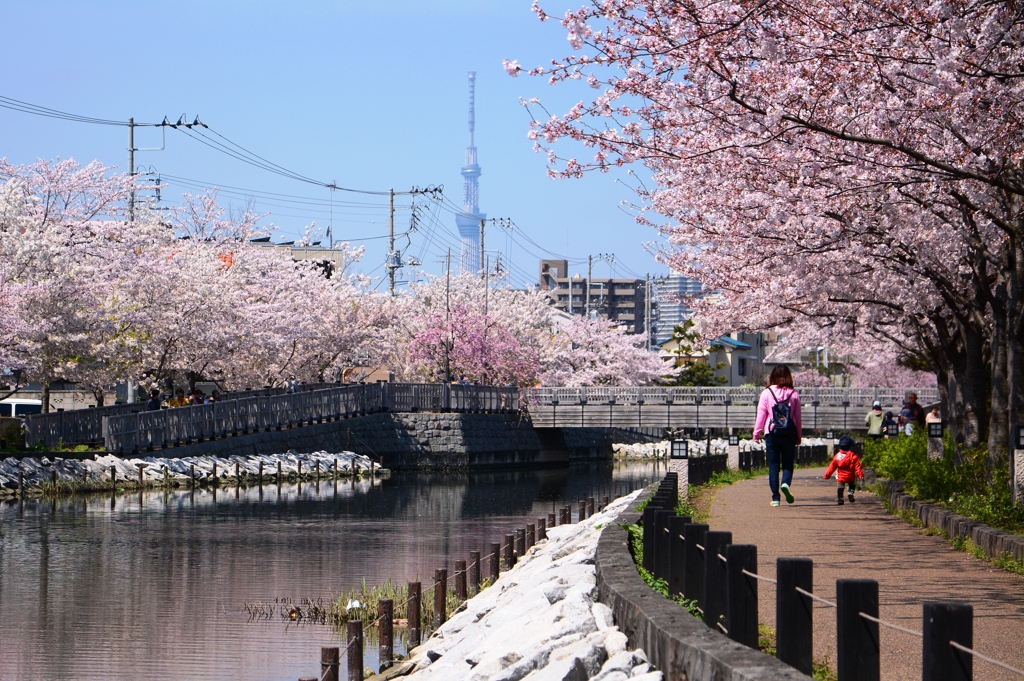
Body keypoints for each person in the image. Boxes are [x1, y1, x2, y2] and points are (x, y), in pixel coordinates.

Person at [753, 364, 801, 507]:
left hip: (772, 433)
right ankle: (785, 484)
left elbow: (761, 414)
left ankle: (775, 498)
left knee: (773, 466)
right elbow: (797, 418)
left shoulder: (766, 393)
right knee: (787, 464)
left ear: (772, 375)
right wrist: (798, 435)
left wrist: (757, 433)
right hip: (789, 434)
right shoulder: (794, 394)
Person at [824, 435, 865, 505]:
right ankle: (850, 493)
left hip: (841, 477)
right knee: (852, 485)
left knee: (840, 487)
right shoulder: (853, 456)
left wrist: (826, 476)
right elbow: (858, 467)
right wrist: (860, 475)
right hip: (850, 476)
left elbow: (832, 467)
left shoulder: (837, 456)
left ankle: (840, 499)